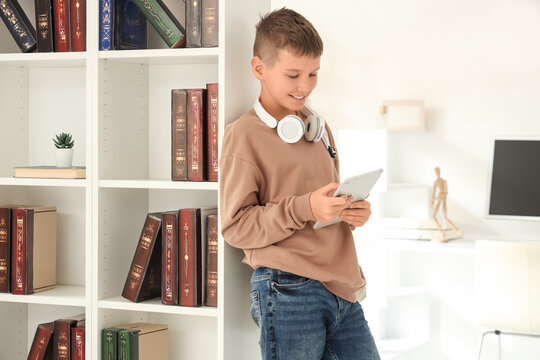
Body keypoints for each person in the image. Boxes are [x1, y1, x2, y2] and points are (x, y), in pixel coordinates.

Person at [219, 8, 380, 360]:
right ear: (259, 68)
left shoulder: (317, 128)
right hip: (288, 288)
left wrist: (349, 211)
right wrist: (306, 207)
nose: (304, 86)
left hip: (341, 287)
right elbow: (235, 227)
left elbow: (324, 205)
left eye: (313, 74)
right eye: (293, 75)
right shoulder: (244, 136)